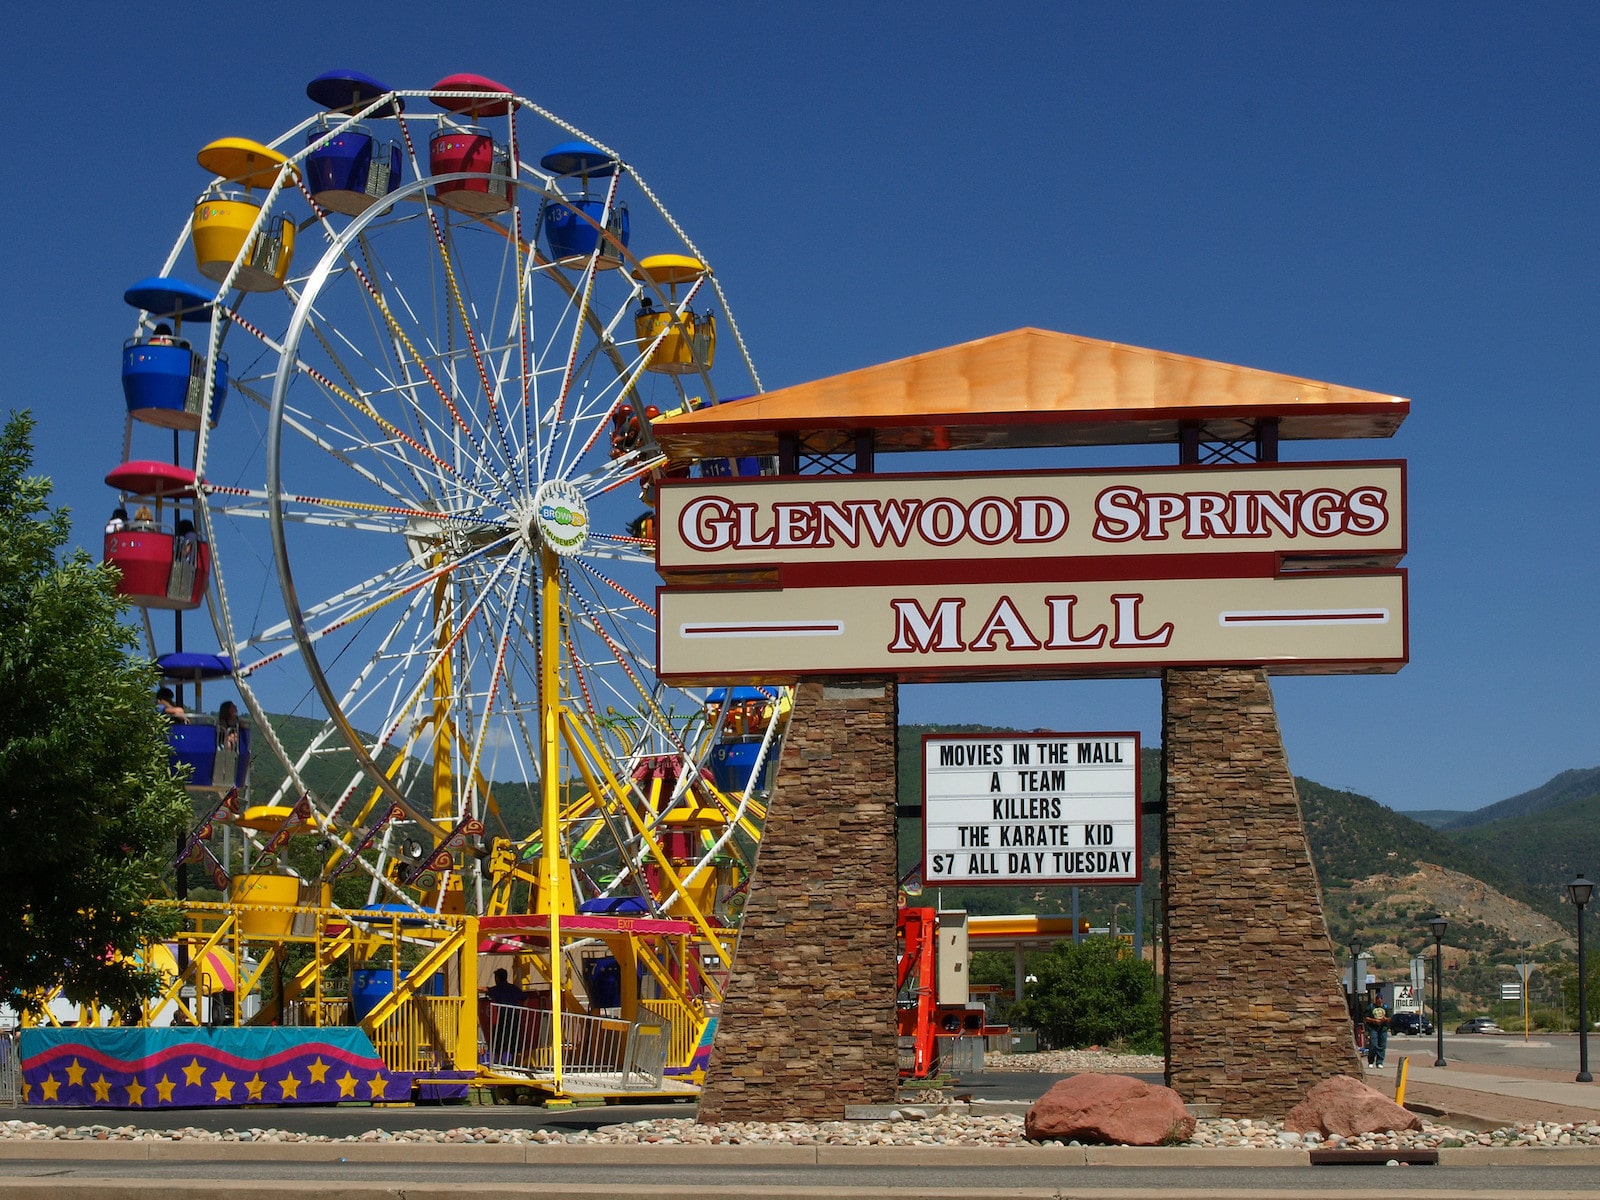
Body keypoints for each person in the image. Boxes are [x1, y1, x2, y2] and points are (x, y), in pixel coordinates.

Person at [484, 968, 525, 1066]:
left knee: (498, 1038)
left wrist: (473, 986)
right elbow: (525, 997)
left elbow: (487, 989)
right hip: (514, 1016)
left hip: (503, 1017)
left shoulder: (498, 988)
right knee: (514, 1039)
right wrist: (521, 1009)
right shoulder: (513, 988)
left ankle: (499, 1061)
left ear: (497, 978)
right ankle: (514, 1061)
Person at [1364, 987, 1389, 1068]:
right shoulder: (1371, 1007)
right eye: (1377, 999)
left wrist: (1386, 1019)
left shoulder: (1385, 1007)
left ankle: (1380, 1062)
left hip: (1383, 1029)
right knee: (1373, 1045)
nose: (1379, 1000)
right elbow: (1366, 1018)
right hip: (1373, 1028)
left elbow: (1390, 1018)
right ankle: (1371, 1061)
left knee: (1382, 1045)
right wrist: (1374, 1021)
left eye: (1380, 999)